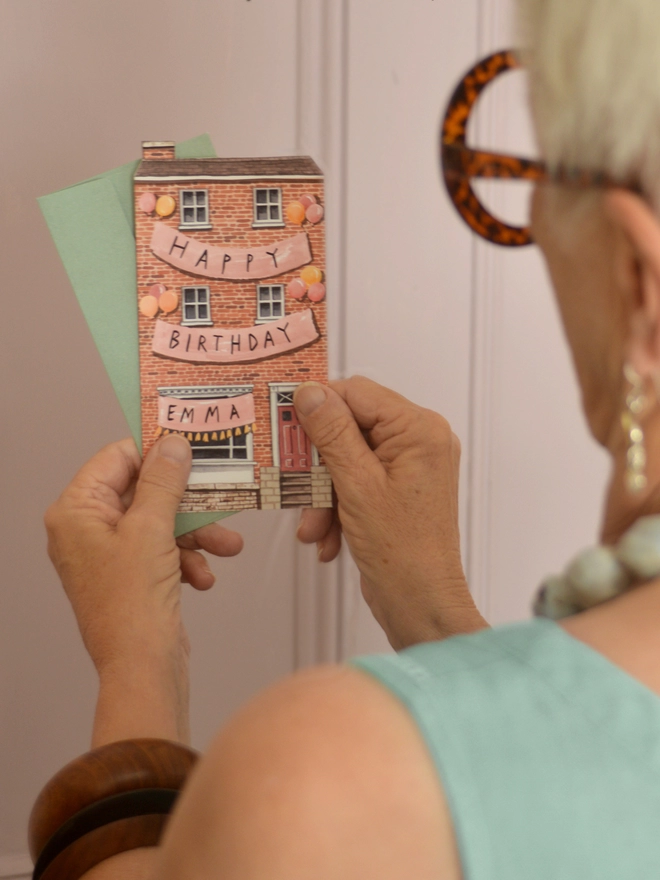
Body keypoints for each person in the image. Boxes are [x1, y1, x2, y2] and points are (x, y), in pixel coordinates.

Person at [36, 0, 660, 876]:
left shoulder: (330, 784)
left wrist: (139, 662)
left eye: (536, 186)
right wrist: (435, 615)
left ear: (640, 282)